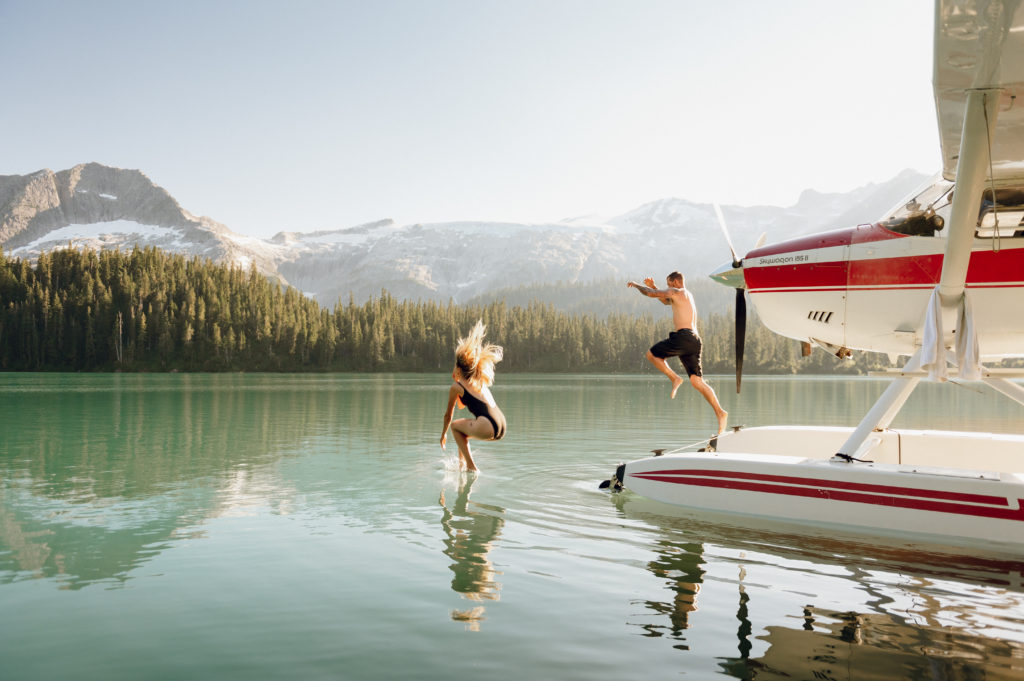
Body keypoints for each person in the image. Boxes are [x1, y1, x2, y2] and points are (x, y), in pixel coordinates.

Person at [628, 272, 729, 434]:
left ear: (675, 282)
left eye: (668, 284)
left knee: (651, 355)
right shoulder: (686, 295)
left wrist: (636, 284)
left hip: (684, 337)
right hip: (695, 340)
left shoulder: (678, 292)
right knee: (697, 382)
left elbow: (650, 294)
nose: (667, 287)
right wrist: (654, 287)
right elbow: (664, 300)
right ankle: (720, 412)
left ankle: (674, 378)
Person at [440, 320, 507, 472]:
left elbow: (447, 416)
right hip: (501, 424)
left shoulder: (456, 387)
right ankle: (462, 466)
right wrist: (456, 376)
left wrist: (443, 435)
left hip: (487, 424)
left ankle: (470, 467)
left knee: (455, 427)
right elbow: (463, 404)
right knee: (460, 429)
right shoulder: (478, 381)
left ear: (458, 367)